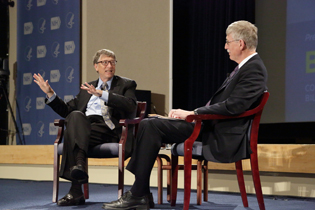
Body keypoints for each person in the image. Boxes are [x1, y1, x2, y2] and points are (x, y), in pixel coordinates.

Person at [102, 20, 268, 210]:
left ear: (241, 44)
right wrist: (189, 115)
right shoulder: (244, 68)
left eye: (227, 41)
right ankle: (141, 193)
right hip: (209, 126)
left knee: (150, 125)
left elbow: (234, 106)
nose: (225, 46)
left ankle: (139, 193)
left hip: (220, 134)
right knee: (151, 122)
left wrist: (193, 113)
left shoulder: (253, 68)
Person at [33, 49, 138, 206]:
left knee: (73, 135)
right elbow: (67, 110)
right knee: (75, 116)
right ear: (96, 66)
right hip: (86, 127)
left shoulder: (126, 84)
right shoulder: (86, 89)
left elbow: (131, 106)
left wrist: (102, 94)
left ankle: (75, 190)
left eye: (112, 62)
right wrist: (50, 94)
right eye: (105, 62)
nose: (109, 65)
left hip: (109, 128)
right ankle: (79, 166)